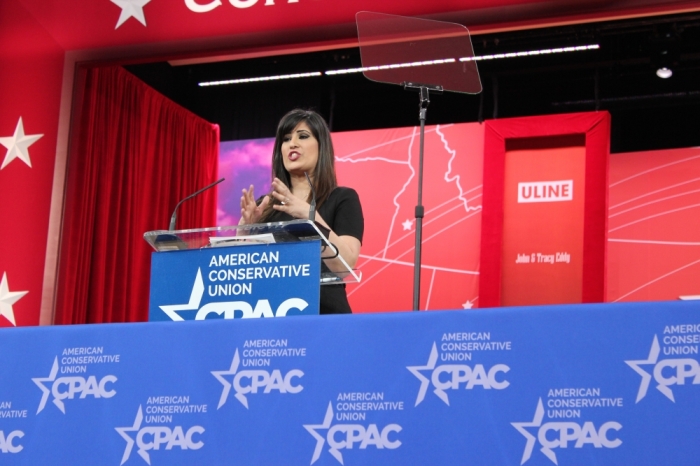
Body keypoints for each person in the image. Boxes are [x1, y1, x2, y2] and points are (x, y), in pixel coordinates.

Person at [238, 109, 364, 314]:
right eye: (286, 139)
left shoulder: (342, 198)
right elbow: (243, 271)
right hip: (270, 312)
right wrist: (245, 231)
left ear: (321, 146)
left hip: (324, 313)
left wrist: (310, 217)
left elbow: (345, 265)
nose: (292, 144)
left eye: (303, 136)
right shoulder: (266, 205)